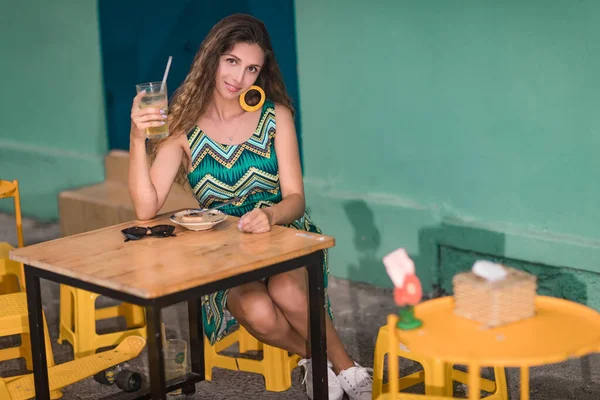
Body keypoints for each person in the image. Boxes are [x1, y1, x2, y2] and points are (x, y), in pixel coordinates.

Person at [128, 13, 372, 400]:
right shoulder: (181, 128)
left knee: (288, 292)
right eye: (232, 62)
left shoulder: (276, 117)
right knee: (257, 309)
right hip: (224, 250)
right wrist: (136, 138)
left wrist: (272, 214)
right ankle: (315, 357)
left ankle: (346, 367)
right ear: (213, 59)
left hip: (284, 235)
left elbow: (295, 198)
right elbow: (146, 207)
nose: (239, 77)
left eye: (252, 68)